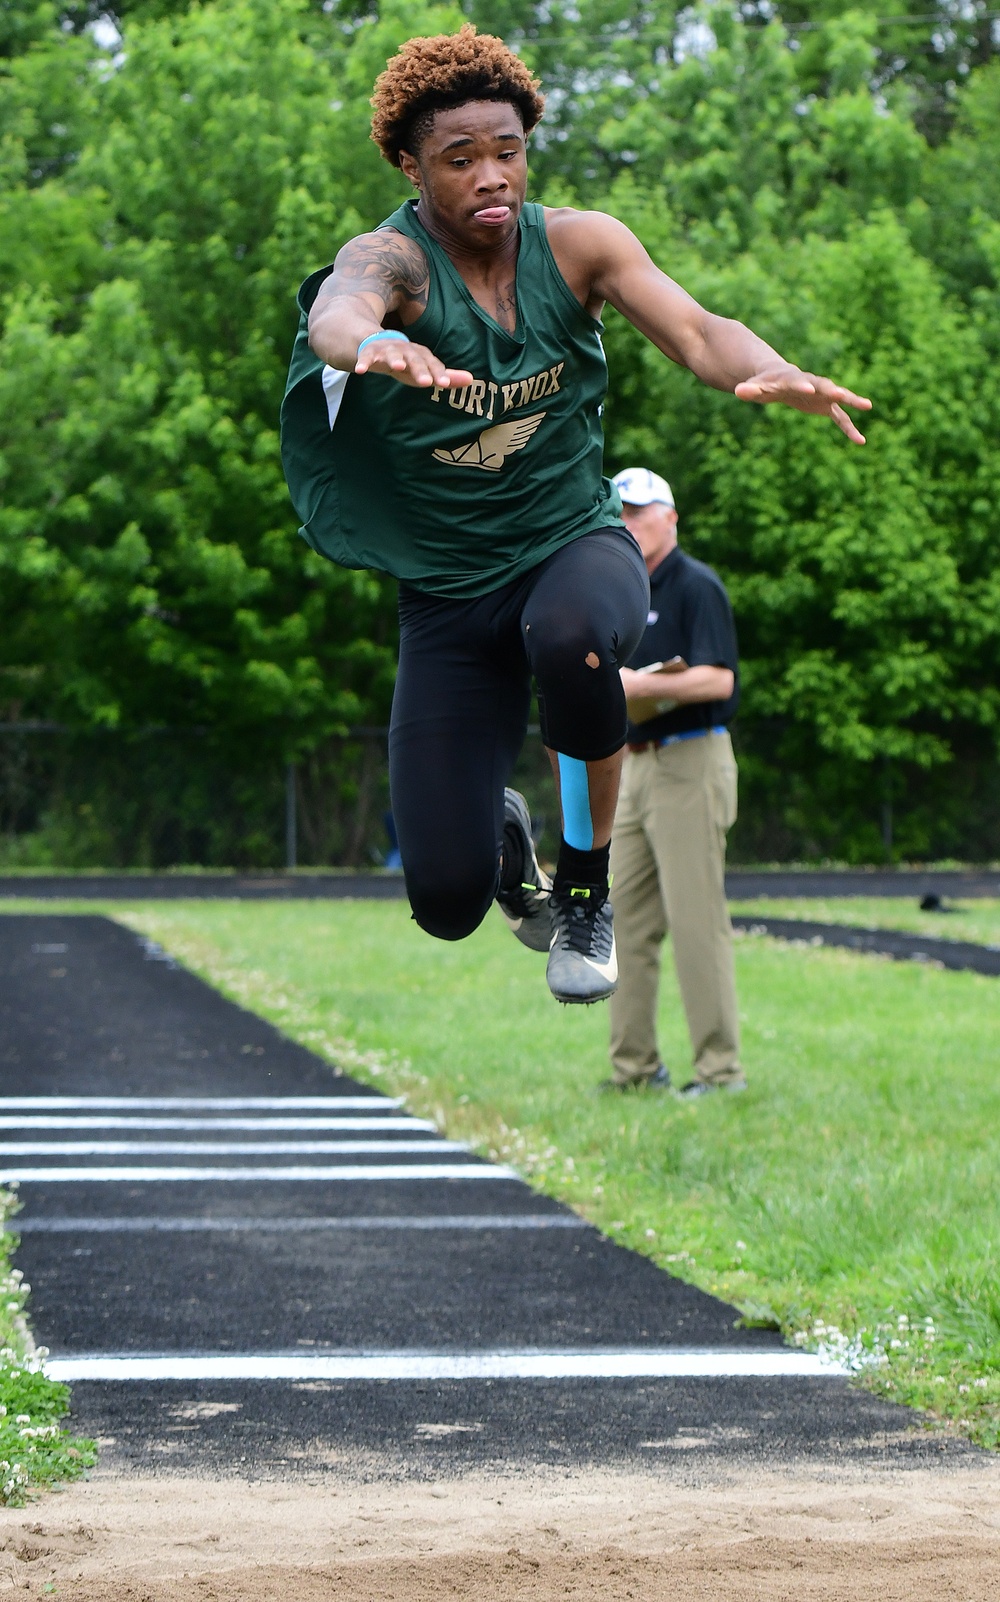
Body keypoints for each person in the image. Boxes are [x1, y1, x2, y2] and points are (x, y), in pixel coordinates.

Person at [280, 25, 870, 1008]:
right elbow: (341, 303)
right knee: (443, 899)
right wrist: (364, 344)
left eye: (506, 151)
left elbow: (697, 329)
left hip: (570, 543)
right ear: (410, 164)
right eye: (458, 159)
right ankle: (509, 857)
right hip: (447, 597)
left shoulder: (580, 245)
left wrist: (762, 367)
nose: (489, 177)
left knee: (569, 637)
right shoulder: (399, 262)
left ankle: (583, 891)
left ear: (527, 146)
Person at [606, 468, 743, 1097]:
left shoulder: (695, 585)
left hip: (691, 759)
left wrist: (642, 685)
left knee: (696, 920)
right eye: (621, 511)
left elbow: (719, 680)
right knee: (624, 923)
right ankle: (634, 1069)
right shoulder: (618, 586)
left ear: (670, 516)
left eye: (639, 511)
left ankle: (719, 1072)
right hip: (636, 762)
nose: (629, 522)